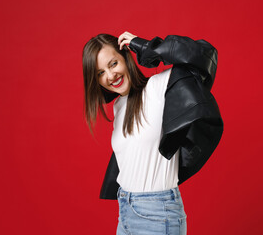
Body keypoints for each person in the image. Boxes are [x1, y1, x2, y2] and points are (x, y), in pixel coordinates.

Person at [82, 31, 223, 235]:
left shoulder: (158, 87)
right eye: (100, 73)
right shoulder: (119, 105)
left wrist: (145, 46)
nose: (110, 76)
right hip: (125, 214)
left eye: (113, 64)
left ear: (125, 57)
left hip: (157, 215)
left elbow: (203, 54)